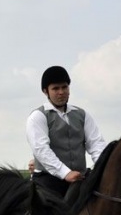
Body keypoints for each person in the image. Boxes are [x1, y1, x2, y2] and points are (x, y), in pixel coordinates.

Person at [25, 65, 108, 198]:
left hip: (79, 179)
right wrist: (64, 173)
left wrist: (103, 167)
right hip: (48, 181)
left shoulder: (82, 114)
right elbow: (41, 149)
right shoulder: (38, 116)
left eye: (64, 87)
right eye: (55, 88)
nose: (61, 92)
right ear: (45, 91)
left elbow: (96, 144)